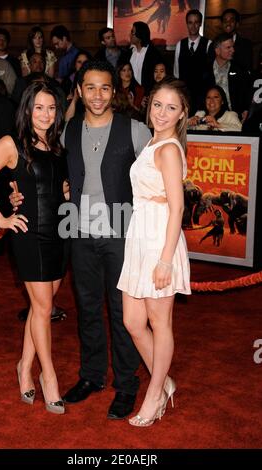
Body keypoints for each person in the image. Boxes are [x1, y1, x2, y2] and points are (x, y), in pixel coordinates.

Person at [10, 60, 152, 419]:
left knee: (123, 313)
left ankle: (126, 384)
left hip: (121, 233)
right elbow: (36, 171)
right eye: (90, 87)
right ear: (79, 91)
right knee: (88, 309)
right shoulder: (65, 132)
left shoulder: (136, 131)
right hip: (77, 232)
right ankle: (91, 376)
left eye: (105, 87)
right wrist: (15, 195)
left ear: (114, 91)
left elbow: (158, 181)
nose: (98, 95)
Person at [0, 81, 69, 414]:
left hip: (59, 233)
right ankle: (49, 377)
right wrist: (1, 218)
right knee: (42, 308)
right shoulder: (10, 143)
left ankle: (23, 368)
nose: (45, 114)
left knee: (40, 306)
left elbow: (57, 186)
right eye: (38, 107)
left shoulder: (57, 144)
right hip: (29, 235)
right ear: (27, 108)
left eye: (51, 107)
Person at [117, 77, 191, 427]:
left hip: (160, 241)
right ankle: (163, 382)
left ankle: (155, 394)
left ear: (182, 114)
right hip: (140, 237)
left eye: (170, 107)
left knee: (160, 324)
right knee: (132, 321)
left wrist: (165, 259)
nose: (162, 113)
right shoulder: (153, 141)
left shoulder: (168, 149)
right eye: (157, 104)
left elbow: (177, 208)